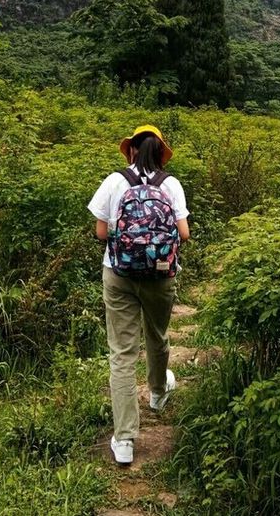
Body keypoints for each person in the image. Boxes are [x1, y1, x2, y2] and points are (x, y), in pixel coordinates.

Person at [88, 125, 190, 465]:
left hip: (118, 274)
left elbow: (101, 231)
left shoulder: (115, 181)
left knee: (122, 354)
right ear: (161, 153)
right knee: (157, 335)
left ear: (131, 151)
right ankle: (158, 394)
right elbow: (184, 233)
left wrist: (128, 239)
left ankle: (126, 439)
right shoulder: (170, 184)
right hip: (160, 275)